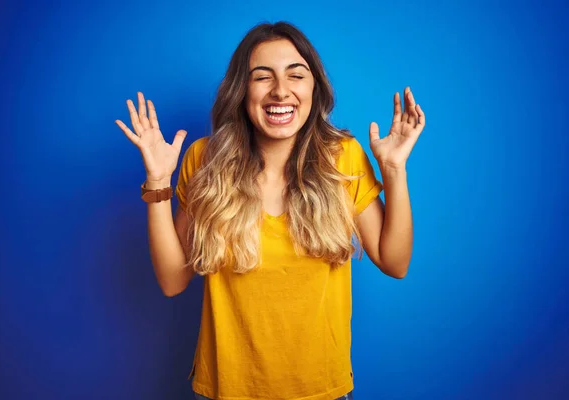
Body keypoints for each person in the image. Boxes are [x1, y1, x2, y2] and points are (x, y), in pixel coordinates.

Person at [115, 21, 425, 400]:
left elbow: (396, 262)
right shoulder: (206, 160)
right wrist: (159, 181)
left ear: (314, 87)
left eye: (296, 75)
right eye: (263, 77)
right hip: (225, 391)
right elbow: (172, 281)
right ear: (241, 90)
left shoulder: (342, 158)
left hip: (322, 392)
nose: (281, 91)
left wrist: (393, 171)